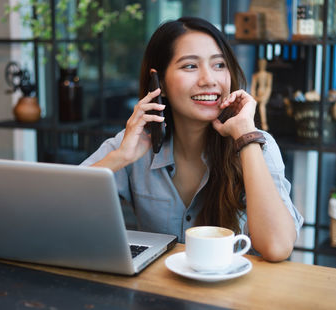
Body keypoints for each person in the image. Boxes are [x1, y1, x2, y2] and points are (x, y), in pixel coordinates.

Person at [81, 17, 303, 262]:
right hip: (156, 293)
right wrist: (120, 157)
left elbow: (277, 246)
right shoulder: (133, 144)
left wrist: (245, 137)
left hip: (234, 296)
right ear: (160, 83)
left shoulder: (256, 143)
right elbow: (57, 210)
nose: (209, 79)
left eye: (219, 65)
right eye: (190, 66)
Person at [250, 58, 272, 131]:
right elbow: (253, 87)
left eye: (263, 63)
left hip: (264, 95)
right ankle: (250, 124)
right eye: (260, 63)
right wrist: (253, 96)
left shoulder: (268, 75)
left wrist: (265, 96)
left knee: (262, 106)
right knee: (251, 105)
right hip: (257, 95)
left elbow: (269, 87)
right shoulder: (255, 75)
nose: (262, 65)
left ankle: (264, 124)